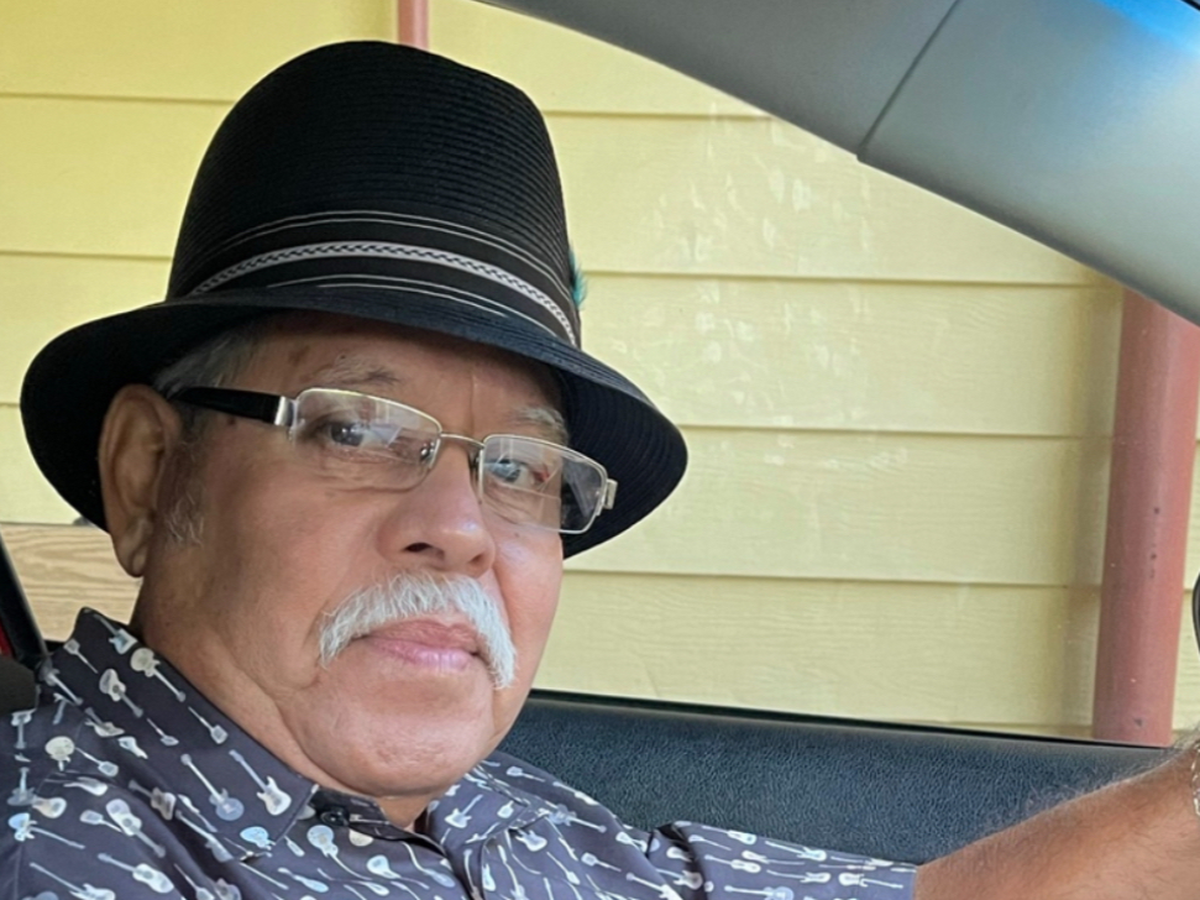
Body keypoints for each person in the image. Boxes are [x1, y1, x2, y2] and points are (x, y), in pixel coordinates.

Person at [1, 40, 1198, 900]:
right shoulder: (58, 848)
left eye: (524, 469)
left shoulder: (490, 815)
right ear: (149, 475)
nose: (462, 526)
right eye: (357, 429)